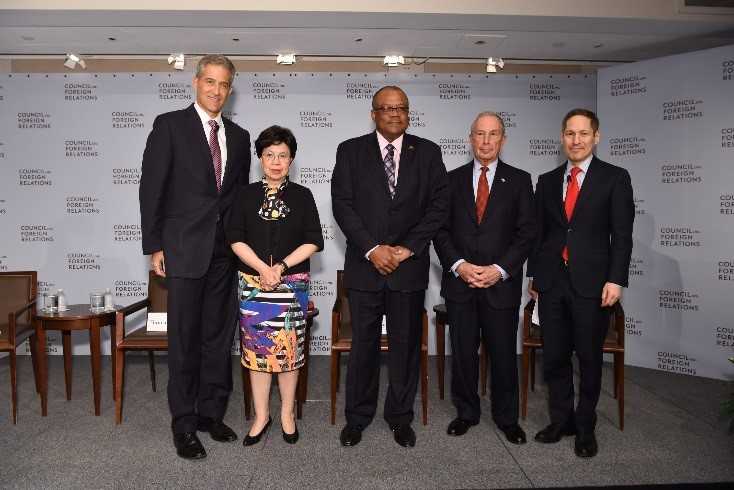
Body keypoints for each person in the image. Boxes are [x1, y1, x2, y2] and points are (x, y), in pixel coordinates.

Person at [139, 54, 250, 460]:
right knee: (184, 342)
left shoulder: (239, 137)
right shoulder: (169, 126)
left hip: (225, 255)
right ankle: (183, 425)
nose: (217, 91)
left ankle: (211, 414)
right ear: (196, 82)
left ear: (230, 89)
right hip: (183, 250)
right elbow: (151, 188)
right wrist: (155, 245)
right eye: (210, 82)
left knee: (218, 340)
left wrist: (245, 247)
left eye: (224, 85)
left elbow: (237, 198)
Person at [331, 85, 449, 448]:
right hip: (366, 269)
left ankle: (400, 417)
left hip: (408, 269)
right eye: (387, 108)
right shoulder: (350, 151)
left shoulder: (428, 152)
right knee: (363, 346)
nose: (395, 114)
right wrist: (372, 249)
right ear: (374, 114)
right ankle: (357, 418)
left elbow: (439, 206)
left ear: (408, 113)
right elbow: (343, 205)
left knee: (405, 346)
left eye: (401, 108)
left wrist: (406, 250)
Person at [528, 108, 634, 458]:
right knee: (555, 357)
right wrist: (534, 277)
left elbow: (622, 235)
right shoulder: (546, 180)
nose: (576, 140)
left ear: (596, 137)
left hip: (593, 285)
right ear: (562, 137)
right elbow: (539, 234)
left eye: (583, 134)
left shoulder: (615, 178)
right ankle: (562, 421)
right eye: (570, 133)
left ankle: (586, 427)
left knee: (589, 359)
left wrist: (616, 280)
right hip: (552, 284)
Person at [433, 111, 535, 444]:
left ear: (503, 140)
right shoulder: (449, 180)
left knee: (504, 353)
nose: (486, 141)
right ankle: (466, 413)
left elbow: (525, 234)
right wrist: (460, 265)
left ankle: (507, 418)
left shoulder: (519, 180)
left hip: (500, 286)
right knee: (463, 353)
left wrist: (499, 270)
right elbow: (440, 231)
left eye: (493, 134)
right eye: (480, 134)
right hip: (460, 284)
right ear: (470, 138)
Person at [226, 125, 323, 446]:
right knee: (257, 355)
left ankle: (287, 415)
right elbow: (235, 238)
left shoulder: (303, 195)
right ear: (260, 158)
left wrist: (280, 267)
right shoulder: (245, 195)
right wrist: (261, 269)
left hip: (291, 286)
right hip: (253, 285)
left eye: (283, 155)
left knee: (289, 353)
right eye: (270, 155)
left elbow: (314, 241)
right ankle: (262, 415)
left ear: (292, 159)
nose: (276, 161)